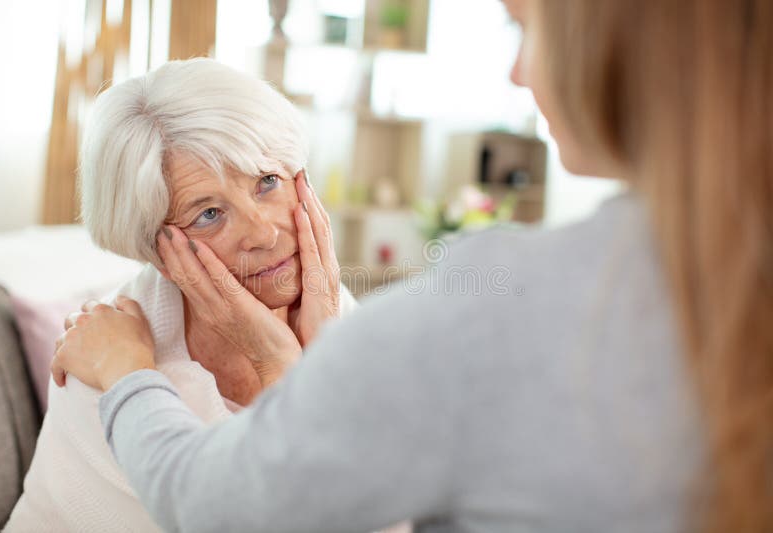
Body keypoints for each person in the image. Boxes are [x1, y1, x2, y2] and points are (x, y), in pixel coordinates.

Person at [52, 0, 773, 532]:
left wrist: (134, 375)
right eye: (209, 212)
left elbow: (214, 504)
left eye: (524, 26)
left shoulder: (469, 315)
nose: (516, 74)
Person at [5, 58, 360, 532]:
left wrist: (306, 357)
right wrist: (280, 363)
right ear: (156, 250)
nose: (264, 233)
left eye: (267, 182)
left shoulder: (330, 310)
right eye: (209, 213)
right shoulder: (106, 358)